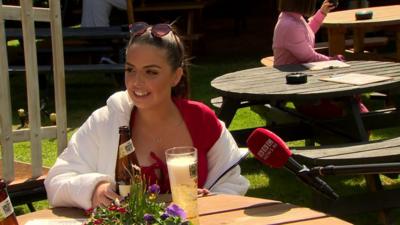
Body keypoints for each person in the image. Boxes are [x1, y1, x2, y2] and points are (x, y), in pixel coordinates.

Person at [44, 22, 250, 210]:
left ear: (176, 76)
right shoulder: (106, 121)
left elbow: (232, 181)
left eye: (151, 72)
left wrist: (210, 202)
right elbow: (57, 180)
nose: (136, 82)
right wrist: (94, 188)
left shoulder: (201, 120)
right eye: (130, 70)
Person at [272, 0, 368, 121]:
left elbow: (307, 35)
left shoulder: (292, 18)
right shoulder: (290, 25)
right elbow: (308, 56)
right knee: (348, 96)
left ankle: (354, 111)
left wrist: (322, 13)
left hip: (303, 75)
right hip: (296, 85)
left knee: (350, 95)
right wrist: (332, 60)